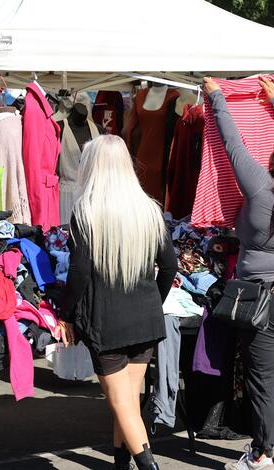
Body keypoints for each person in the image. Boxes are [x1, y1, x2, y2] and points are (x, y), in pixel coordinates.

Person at [56, 135, 176, 470]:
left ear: (91, 168)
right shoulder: (149, 210)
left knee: (123, 405)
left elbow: (78, 273)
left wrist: (66, 314)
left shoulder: (86, 213)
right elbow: (170, 267)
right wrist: (154, 299)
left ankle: (146, 466)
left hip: (106, 322)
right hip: (145, 319)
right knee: (127, 405)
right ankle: (120, 465)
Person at [203, 76, 274, 470]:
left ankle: (264, 454)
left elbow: (233, 145)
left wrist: (217, 99)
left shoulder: (262, 187)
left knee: (263, 380)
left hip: (261, 298)